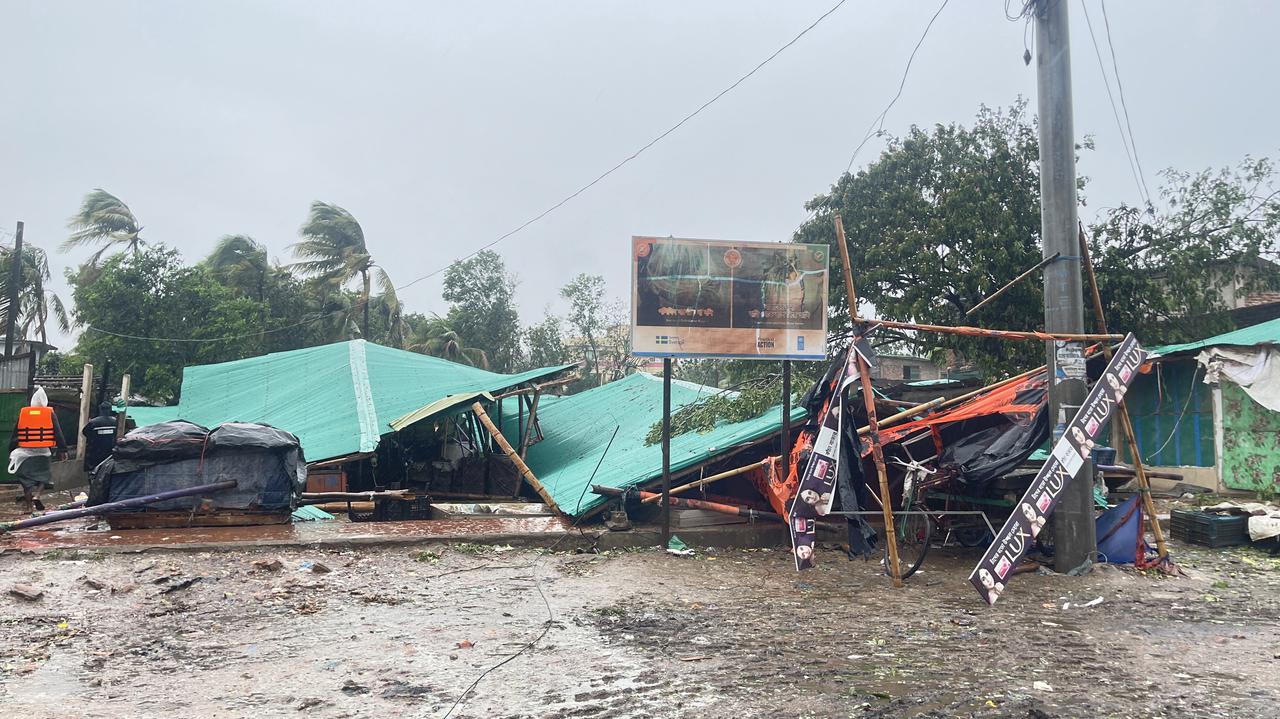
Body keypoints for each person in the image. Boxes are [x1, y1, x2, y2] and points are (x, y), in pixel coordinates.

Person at [8, 386, 67, 513]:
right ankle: (38, 495)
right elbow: (58, 431)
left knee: (26, 480)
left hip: (25, 452)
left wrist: (11, 449)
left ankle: (29, 507)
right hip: (43, 451)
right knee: (44, 476)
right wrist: (63, 449)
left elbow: (16, 433)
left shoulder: (24, 413)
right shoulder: (49, 413)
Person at [81, 402, 122, 472]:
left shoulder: (94, 422)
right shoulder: (115, 422)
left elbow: (85, 432)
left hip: (95, 451)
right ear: (110, 409)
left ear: (100, 409)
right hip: (109, 452)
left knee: (94, 471)